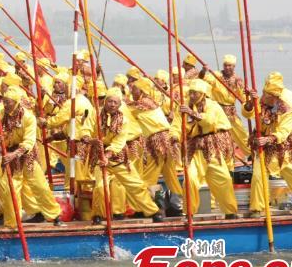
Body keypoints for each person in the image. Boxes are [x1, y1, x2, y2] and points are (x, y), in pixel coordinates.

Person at [245, 72, 292, 216]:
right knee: (258, 176)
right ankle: (256, 208)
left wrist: (268, 139)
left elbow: (283, 131)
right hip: (264, 150)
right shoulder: (261, 102)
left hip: (283, 148)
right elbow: (248, 113)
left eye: (268, 95)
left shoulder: (286, 109)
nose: (265, 96)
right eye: (264, 93)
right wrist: (250, 102)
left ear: (276, 96)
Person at [0, 85, 62, 227]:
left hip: (26, 156)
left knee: (40, 186)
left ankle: (54, 215)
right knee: (9, 189)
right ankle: (12, 222)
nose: (6, 104)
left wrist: (14, 154)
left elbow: (28, 142)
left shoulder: (28, 117)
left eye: (9, 102)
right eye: (5, 101)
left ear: (16, 102)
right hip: (9, 154)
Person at [83, 87, 162, 223]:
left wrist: (107, 156)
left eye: (115, 102)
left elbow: (119, 142)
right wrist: (88, 138)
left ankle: (153, 211)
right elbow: (86, 129)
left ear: (119, 105)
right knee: (101, 187)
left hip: (118, 156)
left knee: (136, 185)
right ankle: (99, 215)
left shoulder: (123, 120)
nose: (112, 104)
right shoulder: (94, 113)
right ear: (105, 102)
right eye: (110, 101)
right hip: (99, 155)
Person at [180, 79, 238, 218]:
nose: (192, 96)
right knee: (190, 179)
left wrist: (192, 113)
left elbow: (209, 121)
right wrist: (175, 137)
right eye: (190, 93)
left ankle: (230, 212)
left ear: (202, 94)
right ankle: (189, 213)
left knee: (224, 179)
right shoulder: (185, 107)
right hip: (194, 149)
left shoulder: (213, 105)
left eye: (195, 93)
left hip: (212, 148)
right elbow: (177, 124)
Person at [203, 54, 249, 155]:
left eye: (230, 65)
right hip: (218, 110)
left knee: (241, 134)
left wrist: (248, 104)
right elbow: (203, 80)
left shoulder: (238, 80)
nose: (227, 68)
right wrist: (203, 71)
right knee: (217, 134)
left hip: (231, 111)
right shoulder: (216, 76)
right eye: (225, 65)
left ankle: (250, 154)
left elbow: (243, 97)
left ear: (233, 66)